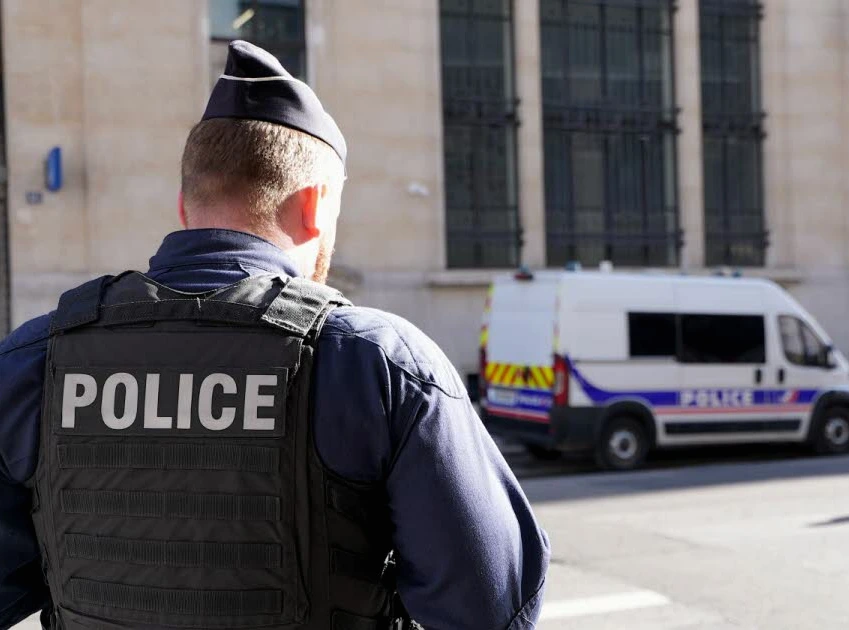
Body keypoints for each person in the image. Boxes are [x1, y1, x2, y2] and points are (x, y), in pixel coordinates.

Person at [0, 41, 549, 630]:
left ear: (185, 205)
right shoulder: (379, 366)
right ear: (314, 207)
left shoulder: (34, 361)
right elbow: (488, 610)